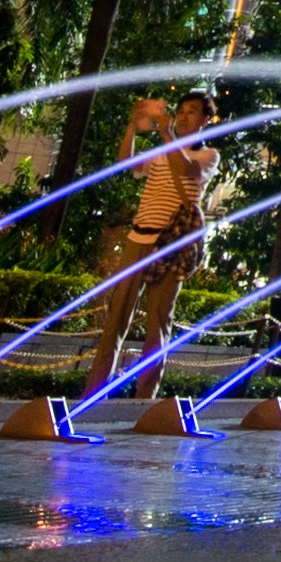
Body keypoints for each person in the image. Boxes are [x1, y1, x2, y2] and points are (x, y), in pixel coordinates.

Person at [81, 88, 220, 395]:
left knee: (158, 323)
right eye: (180, 111)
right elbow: (127, 163)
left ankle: (144, 398)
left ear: (205, 120)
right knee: (116, 317)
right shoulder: (160, 152)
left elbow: (186, 169)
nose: (183, 117)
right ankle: (93, 392)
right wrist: (134, 126)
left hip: (170, 245)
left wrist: (167, 133)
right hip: (138, 237)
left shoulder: (207, 155)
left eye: (192, 112)